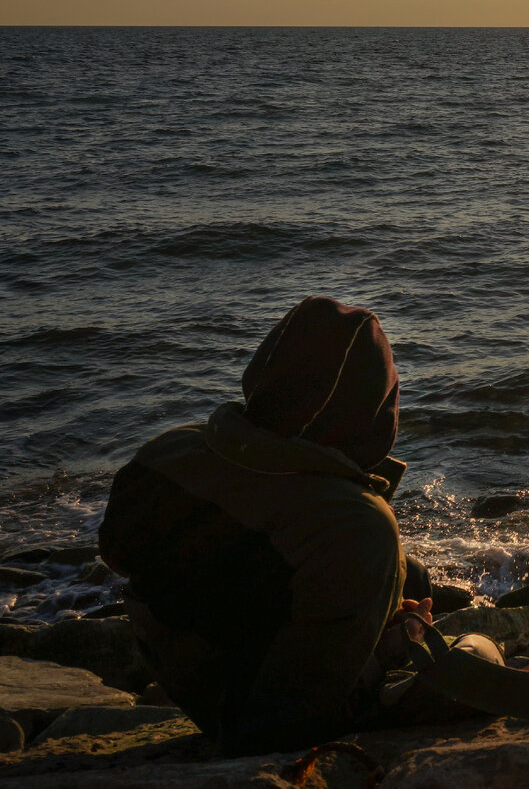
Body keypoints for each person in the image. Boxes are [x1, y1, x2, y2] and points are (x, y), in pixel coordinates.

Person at [98, 296, 432, 756]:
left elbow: (122, 555)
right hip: (249, 707)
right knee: (428, 618)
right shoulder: (359, 525)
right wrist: (390, 653)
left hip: (173, 657)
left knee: (410, 575)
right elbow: (286, 721)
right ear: (375, 411)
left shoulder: (168, 452)